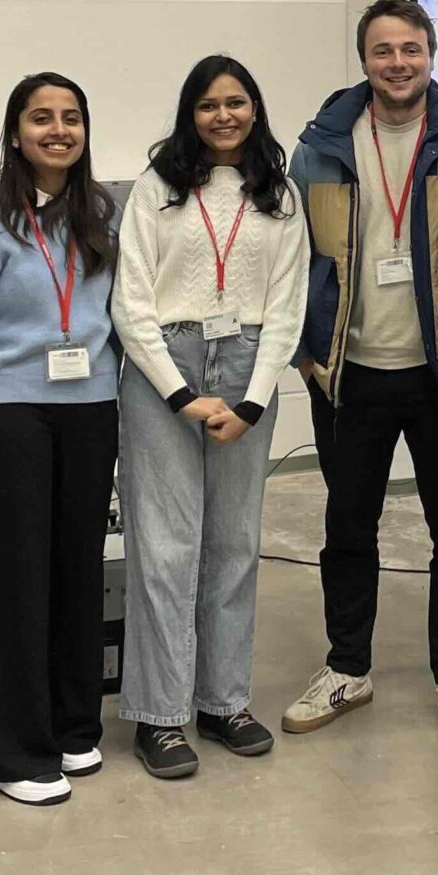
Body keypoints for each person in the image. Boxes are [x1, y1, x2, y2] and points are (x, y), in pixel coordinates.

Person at [284, 0, 438, 750]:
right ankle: (348, 667)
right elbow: (291, 256)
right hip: (350, 372)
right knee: (348, 527)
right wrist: (306, 352)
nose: (397, 63)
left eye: (410, 49)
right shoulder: (320, 147)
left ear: (431, 54)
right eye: (383, 51)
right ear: (363, 59)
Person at [112, 55, 309, 780]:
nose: (223, 116)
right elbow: (130, 302)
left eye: (236, 102)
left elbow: (287, 304)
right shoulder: (156, 189)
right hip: (167, 365)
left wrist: (252, 400)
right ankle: (160, 716)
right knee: (165, 549)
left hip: (247, 365)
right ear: (188, 114)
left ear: (255, 109)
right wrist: (178, 393)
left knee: (234, 545)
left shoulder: (279, 195)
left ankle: (224, 701)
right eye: (208, 105)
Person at [0, 74, 121, 808]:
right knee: (17, 581)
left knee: (79, 571)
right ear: (15, 134)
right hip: (13, 413)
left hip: (92, 409)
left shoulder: (101, 215)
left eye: (71, 117)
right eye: (41, 118)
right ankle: (10, 751)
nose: (58, 130)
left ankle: (74, 725)